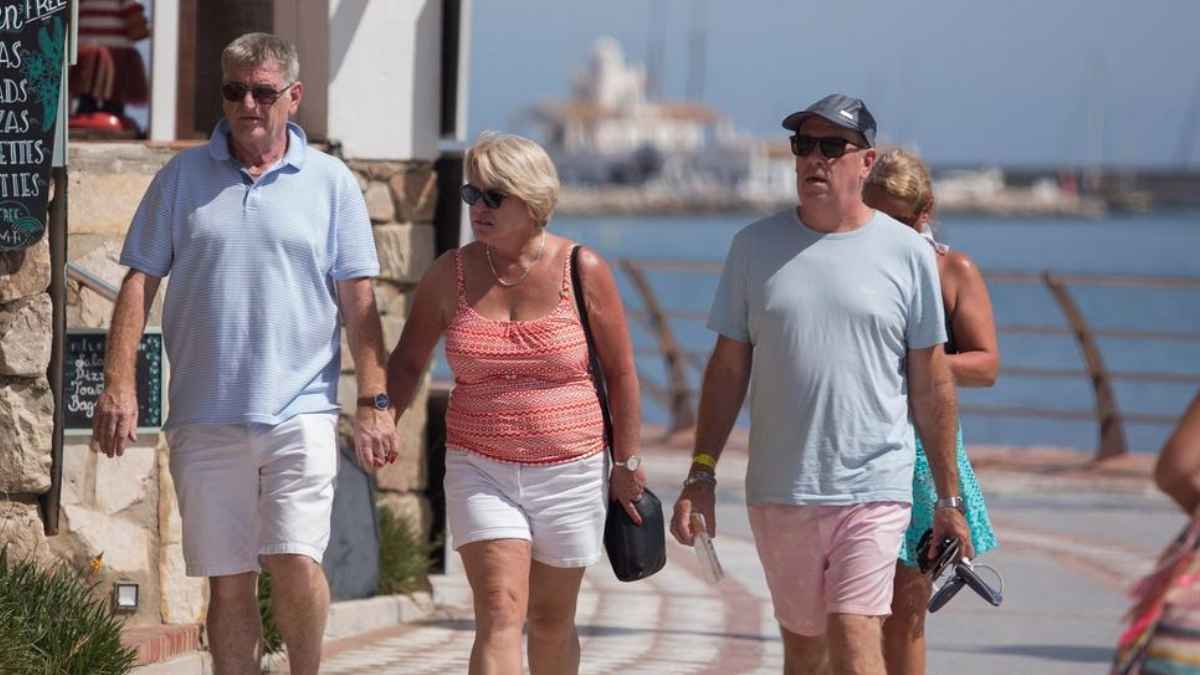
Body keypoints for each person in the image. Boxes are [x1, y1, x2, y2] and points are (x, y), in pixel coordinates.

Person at [89, 33, 398, 675]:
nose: (249, 105)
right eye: (235, 91)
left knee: (294, 561)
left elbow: (359, 304)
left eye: (263, 92)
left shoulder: (332, 184)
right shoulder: (180, 177)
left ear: (294, 96)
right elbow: (139, 280)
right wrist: (119, 381)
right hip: (205, 413)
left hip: (301, 411)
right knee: (228, 583)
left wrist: (374, 402)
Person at [670, 94, 971, 675]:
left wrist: (947, 499)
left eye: (832, 147)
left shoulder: (907, 253)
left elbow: (932, 383)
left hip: (875, 485)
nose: (814, 159)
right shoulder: (753, 248)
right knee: (805, 652)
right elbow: (728, 369)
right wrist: (700, 473)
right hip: (781, 489)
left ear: (867, 161)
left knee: (859, 639)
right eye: (802, 146)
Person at [385, 131, 645, 675]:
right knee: (500, 609)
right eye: (471, 195)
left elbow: (622, 373)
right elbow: (409, 362)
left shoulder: (584, 269)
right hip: (481, 466)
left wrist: (627, 463)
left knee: (551, 621)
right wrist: (382, 416)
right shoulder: (449, 274)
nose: (478, 208)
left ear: (532, 201)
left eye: (493, 197)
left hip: (571, 471)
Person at [862, 149, 1000, 675]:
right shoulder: (852, 262)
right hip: (858, 439)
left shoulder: (952, 268)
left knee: (906, 605)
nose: (888, 232)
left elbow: (987, 365)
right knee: (848, 605)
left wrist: (922, 362)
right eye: (876, 217)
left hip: (923, 450)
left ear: (925, 211)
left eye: (899, 219)